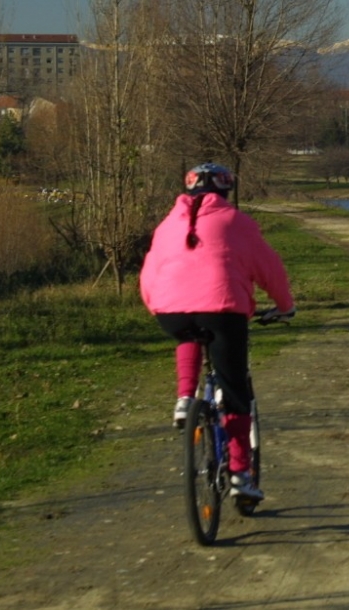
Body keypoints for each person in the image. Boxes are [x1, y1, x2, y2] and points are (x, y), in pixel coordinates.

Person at [139, 162, 295, 502]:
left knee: (189, 332)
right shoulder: (237, 222)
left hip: (171, 310)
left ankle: (184, 400)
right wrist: (284, 306)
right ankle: (240, 474)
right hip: (223, 311)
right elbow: (270, 269)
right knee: (236, 390)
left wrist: (158, 306)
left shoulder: (166, 225)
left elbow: (149, 274)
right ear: (225, 192)